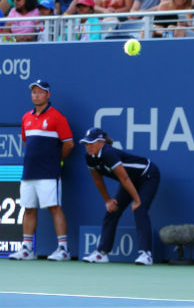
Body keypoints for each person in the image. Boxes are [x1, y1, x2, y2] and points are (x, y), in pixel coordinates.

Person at [9, 80, 74, 262]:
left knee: (54, 208)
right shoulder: (26, 118)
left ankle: (63, 249)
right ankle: (27, 249)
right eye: (34, 92)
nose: (36, 95)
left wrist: (56, 160)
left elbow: (69, 144)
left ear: (48, 95)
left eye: (40, 92)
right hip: (29, 172)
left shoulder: (57, 117)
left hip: (49, 173)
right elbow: (26, 143)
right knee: (29, 209)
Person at [80, 128, 160, 266]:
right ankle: (102, 253)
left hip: (148, 175)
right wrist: (107, 200)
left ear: (101, 142)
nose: (88, 146)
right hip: (129, 180)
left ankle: (146, 254)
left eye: (91, 143)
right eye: (86, 143)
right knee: (112, 210)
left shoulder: (109, 153)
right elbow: (98, 180)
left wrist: (137, 200)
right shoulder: (89, 157)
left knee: (140, 209)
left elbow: (123, 177)